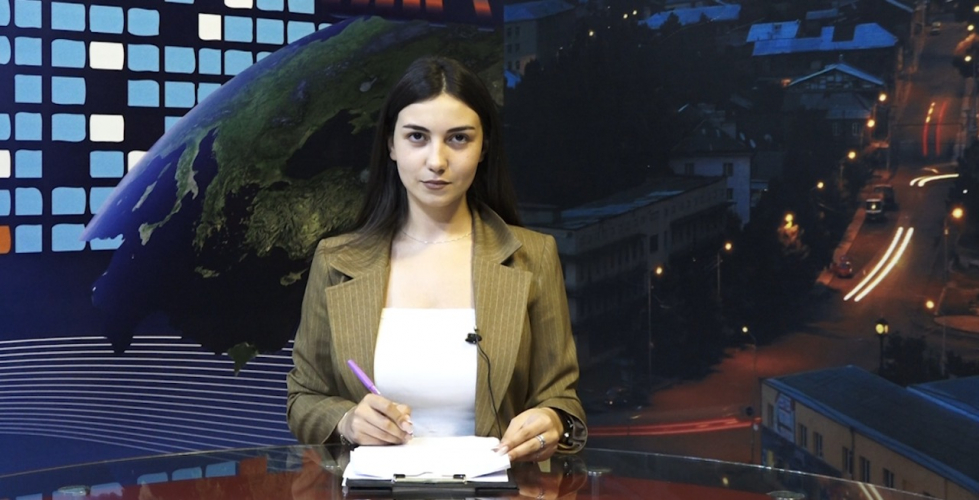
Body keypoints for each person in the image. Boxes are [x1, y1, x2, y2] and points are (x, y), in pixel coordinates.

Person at [286, 56, 586, 462]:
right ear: (390, 145)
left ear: (483, 148)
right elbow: (304, 399)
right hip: (374, 489)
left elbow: (562, 400)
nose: (437, 161)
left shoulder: (533, 258)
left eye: (458, 138)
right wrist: (347, 421)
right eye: (417, 137)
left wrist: (552, 420)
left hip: (496, 487)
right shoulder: (336, 261)